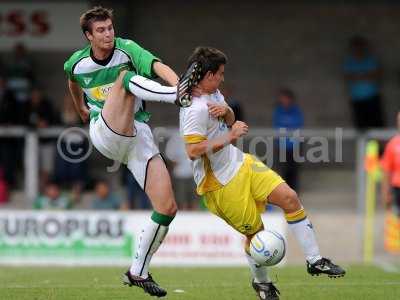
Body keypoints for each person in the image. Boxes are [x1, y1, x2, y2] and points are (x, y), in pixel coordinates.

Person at [180, 47, 345, 300]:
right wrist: (230, 135)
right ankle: (263, 284)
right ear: (209, 74)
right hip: (220, 185)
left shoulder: (214, 93)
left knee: (289, 197)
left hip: (241, 163)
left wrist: (226, 114)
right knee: (255, 236)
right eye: (221, 73)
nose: (223, 78)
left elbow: (231, 117)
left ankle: (315, 260)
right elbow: (192, 150)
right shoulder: (193, 109)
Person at [63, 6, 200, 297]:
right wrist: (81, 109)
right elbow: (72, 81)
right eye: (100, 30)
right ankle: (177, 96)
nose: (108, 34)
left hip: (138, 136)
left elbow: (157, 66)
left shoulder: (127, 49)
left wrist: (176, 79)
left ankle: (138, 271)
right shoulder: (76, 63)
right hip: (105, 130)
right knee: (124, 78)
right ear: (88, 36)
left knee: (167, 208)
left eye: (110, 28)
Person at [344, 35, 384, 129]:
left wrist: (358, 75)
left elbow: (376, 75)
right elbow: (348, 77)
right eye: (355, 47)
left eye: (360, 46)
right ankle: (364, 144)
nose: (358, 49)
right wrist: (365, 75)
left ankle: (379, 144)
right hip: (357, 99)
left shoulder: (370, 60)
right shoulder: (349, 61)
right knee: (361, 128)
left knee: (377, 125)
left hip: (372, 98)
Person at [272, 88, 304, 191]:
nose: (283, 101)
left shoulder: (296, 110)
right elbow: (277, 125)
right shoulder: (278, 110)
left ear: (290, 99)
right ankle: (284, 191)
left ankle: (294, 191)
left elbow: (297, 124)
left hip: (295, 145)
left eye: (285, 98)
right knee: (283, 169)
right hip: (282, 145)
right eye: (282, 98)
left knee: (293, 169)